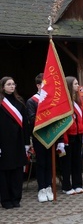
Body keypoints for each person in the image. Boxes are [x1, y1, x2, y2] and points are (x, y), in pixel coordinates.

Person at [0, 76, 29, 209]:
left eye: (13, 84)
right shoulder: (1, 103)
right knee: (5, 173)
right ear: (3, 86)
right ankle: (5, 200)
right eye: (9, 84)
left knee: (17, 171)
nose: (12, 86)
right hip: (4, 143)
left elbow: (25, 124)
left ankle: (16, 198)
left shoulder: (20, 102)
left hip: (18, 142)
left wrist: (27, 143)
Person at [26, 73, 54, 202]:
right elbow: (31, 119)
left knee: (49, 162)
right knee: (41, 162)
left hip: (51, 134)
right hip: (39, 136)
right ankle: (41, 188)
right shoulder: (32, 101)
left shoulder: (50, 99)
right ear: (38, 85)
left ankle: (48, 185)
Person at [59, 76, 83, 195]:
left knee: (77, 161)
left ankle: (78, 184)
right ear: (69, 85)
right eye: (75, 84)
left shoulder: (79, 99)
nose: (78, 86)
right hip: (68, 135)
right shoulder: (63, 100)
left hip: (78, 134)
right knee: (67, 162)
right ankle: (66, 186)